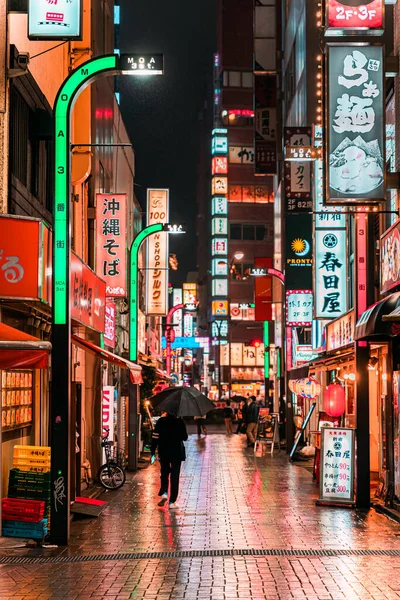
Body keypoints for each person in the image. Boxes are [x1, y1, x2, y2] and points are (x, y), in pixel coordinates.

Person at [150, 412, 188, 509]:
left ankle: (164, 492)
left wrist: (152, 451)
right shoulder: (180, 422)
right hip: (176, 452)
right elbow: (185, 437)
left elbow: (155, 436)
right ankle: (172, 502)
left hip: (164, 451)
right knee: (175, 476)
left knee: (164, 472)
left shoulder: (161, 421)